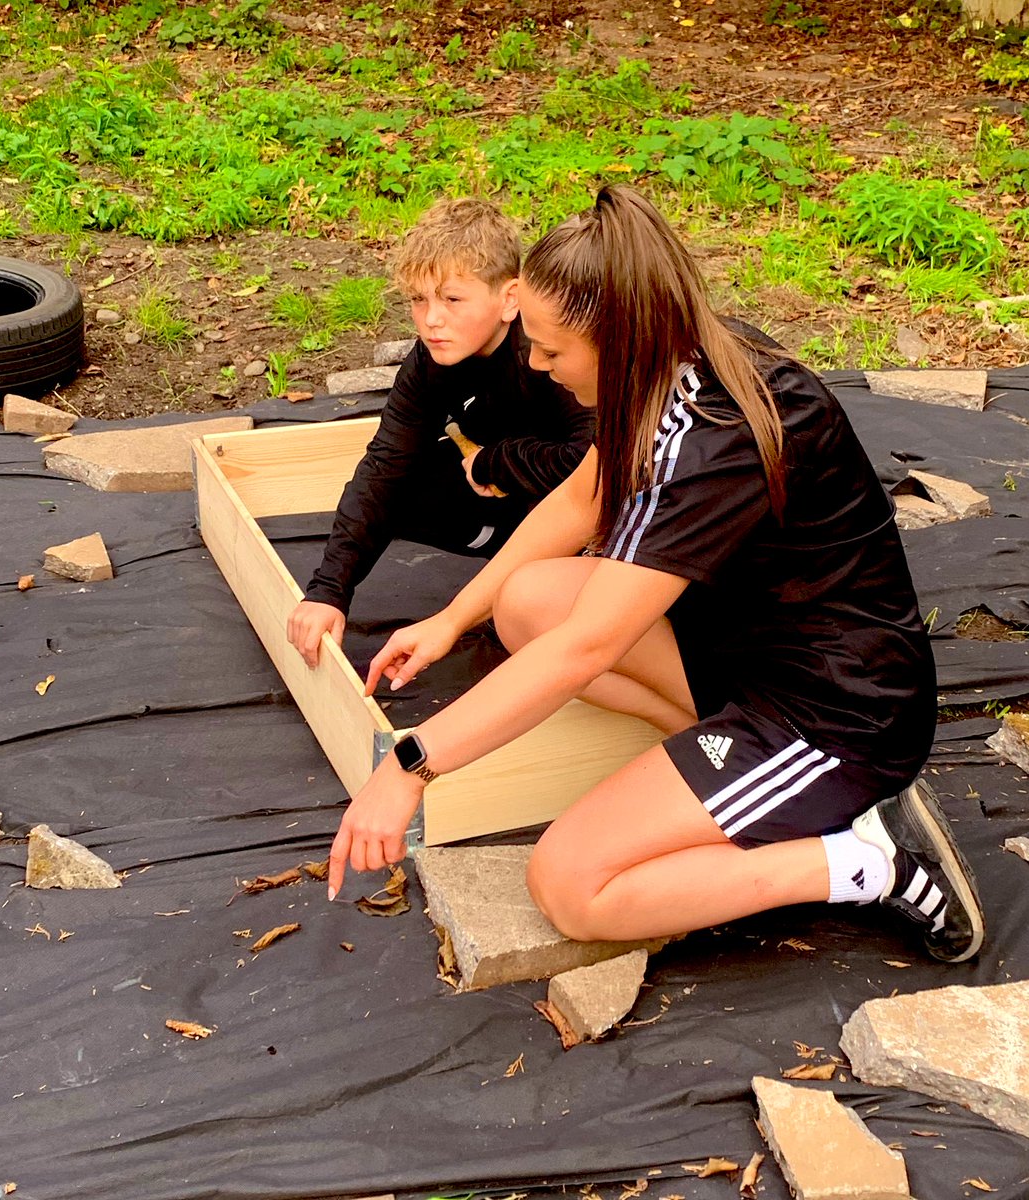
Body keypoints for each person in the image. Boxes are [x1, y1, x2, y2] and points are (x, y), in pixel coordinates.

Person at [325, 186, 986, 965]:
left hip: (834, 713)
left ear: (620, 333)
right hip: (751, 650)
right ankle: (740, 787)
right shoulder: (676, 358)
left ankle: (865, 862)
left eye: (551, 351)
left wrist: (413, 763)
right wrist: (451, 617)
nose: (535, 366)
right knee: (525, 600)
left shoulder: (712, 441)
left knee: (571, 885)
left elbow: (585, 649)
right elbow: (580, 497)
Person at [287, 197, 596, 668]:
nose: (432, 320)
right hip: (501, 505)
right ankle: (497, 563)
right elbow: (385, 464)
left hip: (580, 521)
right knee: (399, 480)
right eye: (418, 299)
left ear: (509, 299)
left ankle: (526, 592)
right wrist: (328, 591)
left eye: (452, 299)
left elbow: (595, 468)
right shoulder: (428, 362)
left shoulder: (550, 352)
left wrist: (500, 460)